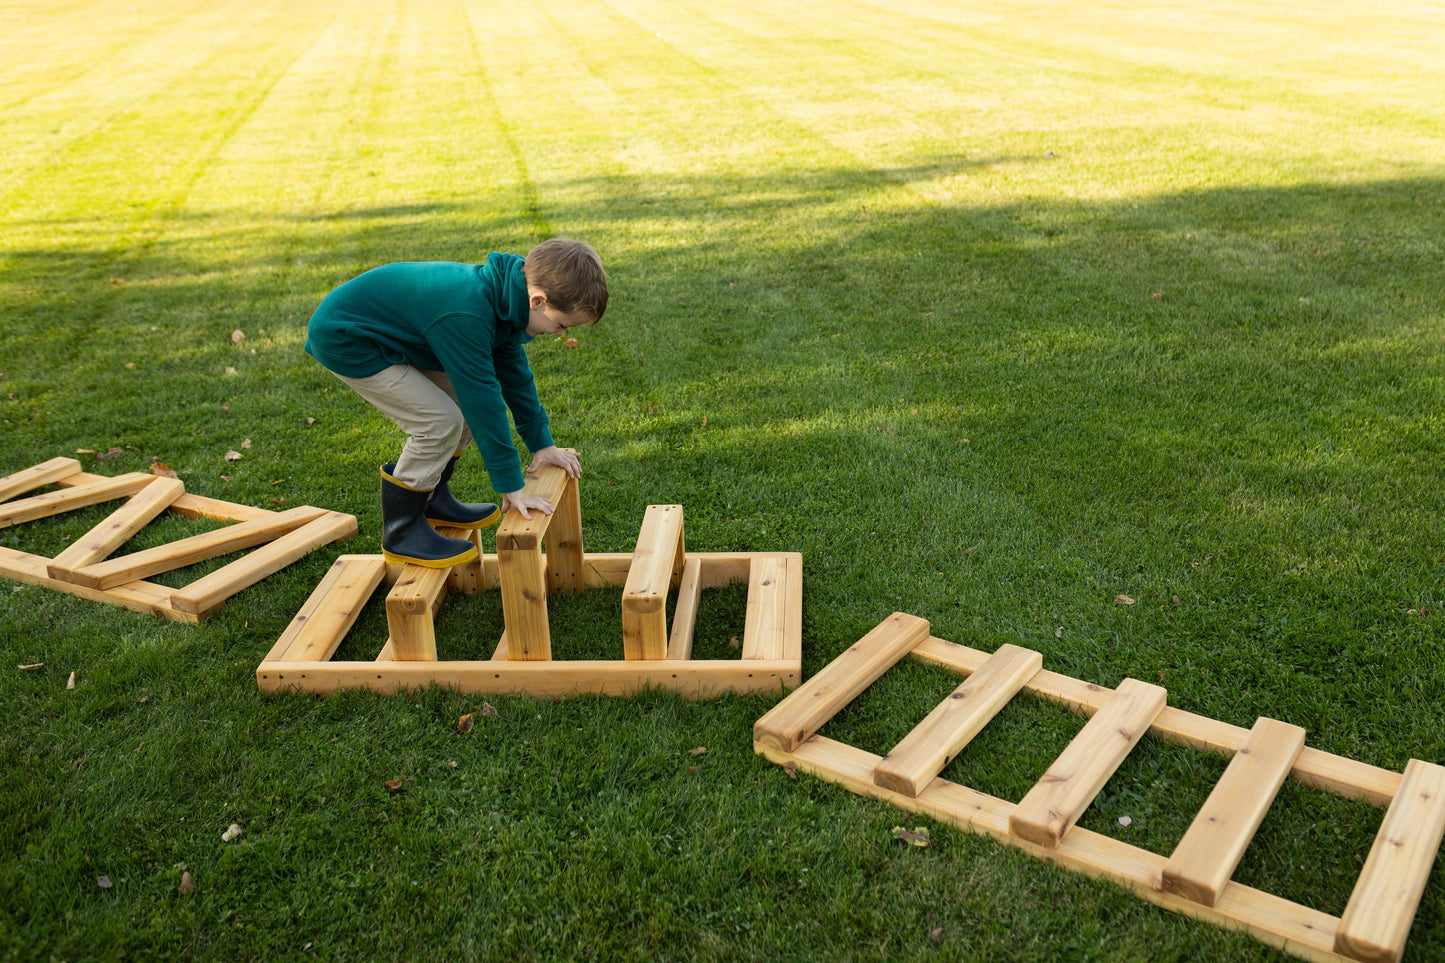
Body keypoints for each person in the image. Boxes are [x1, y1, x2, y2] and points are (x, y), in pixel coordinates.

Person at [303, 238, 607, 567]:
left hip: (391, 334)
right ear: (537, 300)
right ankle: (401, 531)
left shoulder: (506, 301)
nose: (560, 334)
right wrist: (511, 485)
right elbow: (482, 397)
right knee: (440, 422)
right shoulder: (468, 313)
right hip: (348, 338)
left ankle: (432, 497)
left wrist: (542, 443)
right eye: (562, 324)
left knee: (458, 412)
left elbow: (515, 376)